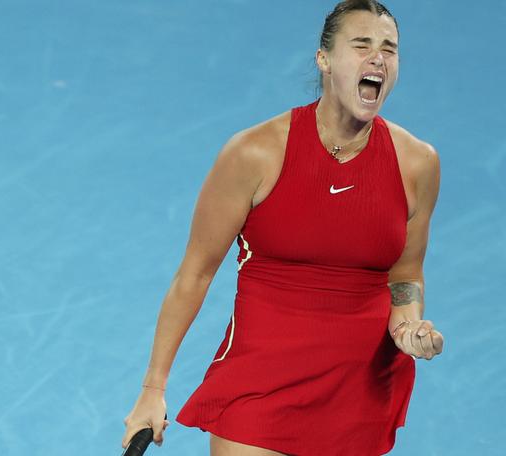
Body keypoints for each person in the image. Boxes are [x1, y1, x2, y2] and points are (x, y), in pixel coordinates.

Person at [121, 1, 444, 454]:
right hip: (259, 388)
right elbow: (194, 274)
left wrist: (408, 327)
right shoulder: (255, 153)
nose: (378, 58)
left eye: (389, 49)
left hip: (357, 396)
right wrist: (153, 389)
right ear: (324, 59)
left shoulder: (418, 163)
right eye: (362, 44)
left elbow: (406, 275)